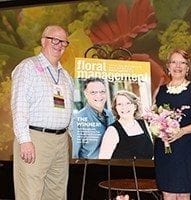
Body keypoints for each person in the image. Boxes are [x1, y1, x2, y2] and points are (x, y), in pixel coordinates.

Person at [11, 25, 73, 200]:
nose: (59, 44)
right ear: (43, 41)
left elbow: (71, 111)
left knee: (57, 194)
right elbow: (19, 106)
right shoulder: (27, 67)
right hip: (35, 139)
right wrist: (25, 140)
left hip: (61, 141)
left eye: (64, 42)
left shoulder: (65, 75)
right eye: (55, 39)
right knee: (31, 194)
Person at [153, 49, 191, 200]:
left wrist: (182, 131)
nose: (177, 66)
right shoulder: (160, 90)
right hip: (164, 150)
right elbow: (152, 118)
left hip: (186, 149)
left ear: (188, 67)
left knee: (183, 194)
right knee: (168, 194)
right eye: (174, 62)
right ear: (168, 66)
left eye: (182, 62)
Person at [99, 90, 153, 159]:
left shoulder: (143, 123)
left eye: (128, 103)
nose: (124, 107)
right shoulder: (112, 130)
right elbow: (103, 161)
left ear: (135, 106)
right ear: (116, 108)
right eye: (119, 104)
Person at [70, 77, 114, 159]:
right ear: (86, 94)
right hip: (91, 168)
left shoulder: (111, 115)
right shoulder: (78, 119)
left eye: (102, 92)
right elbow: (74, 155)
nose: (99, 95)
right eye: (93, 92)